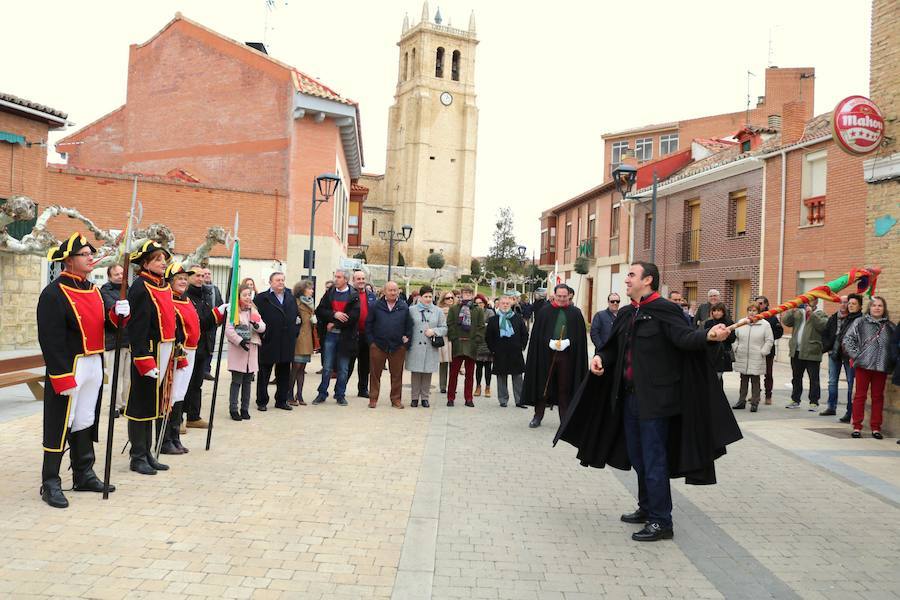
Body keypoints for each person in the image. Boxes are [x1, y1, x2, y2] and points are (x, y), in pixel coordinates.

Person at [556, 261, 740, 542]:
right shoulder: (629, 312)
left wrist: (710, 336)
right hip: (628, 398)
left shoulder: (665, 310)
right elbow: (615, 349)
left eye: (631, 275)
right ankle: (646, 507)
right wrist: (600, 358)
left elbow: (685, 338)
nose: (626, 280)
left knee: (654, 459)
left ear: (648, 280)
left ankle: (661, 521)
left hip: (656, 401)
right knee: (639, 457)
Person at [37, 232, 129, 508]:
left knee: (85, 419)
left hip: (93, 363)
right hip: (70, 366)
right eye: (84, 254)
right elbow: (50, 339)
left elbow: (105, 327)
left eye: (91, 253)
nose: (91, 257)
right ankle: (50, 481)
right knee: (59, 423)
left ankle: (83, 472)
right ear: (68, 261)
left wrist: (117, 315)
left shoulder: (95, 291)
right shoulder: (53, 293)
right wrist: (60, 375)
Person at [124, 241, 177, 476]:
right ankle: (137, 456)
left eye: (164, 258)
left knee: (154, 404)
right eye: (157, 259)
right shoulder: (140, 287)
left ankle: (147, 453)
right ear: (145, 263)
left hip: (164, 349)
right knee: (141, 404)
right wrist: (143, 357)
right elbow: (137, 327)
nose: (162, 262)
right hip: (148, 352)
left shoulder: (162, 285)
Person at [166, 263, 224, 453]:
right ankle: (167, 437)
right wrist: (178, 351)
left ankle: (175, 437)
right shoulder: (170, 300)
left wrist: (219, 312)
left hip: (193, 350)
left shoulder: (187, 300)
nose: (183, 282)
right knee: (173, 395)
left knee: (181, 393)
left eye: (184, 278)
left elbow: (199, 323)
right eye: (180, 279)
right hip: (178, 353)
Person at [521, 283, 588, 428]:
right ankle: (538, 416)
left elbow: (580, 337)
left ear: (569, 295)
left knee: (565, 387)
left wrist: (569, 341)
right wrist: (548, 342)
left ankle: (564, 418)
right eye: (559, 296)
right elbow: (537, 336)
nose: (562, 299)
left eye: (565, 296)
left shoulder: (575, 313)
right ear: (554, 295)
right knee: (543, 385)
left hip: (567, 356)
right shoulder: (545, 312)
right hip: (546, 355)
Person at [843, 296, 894, 439]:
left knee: (878, 397)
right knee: (860, 396)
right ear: (869, 308)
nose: (877, 308)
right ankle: (857, 426)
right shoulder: (860, 322)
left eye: (880, 305)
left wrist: (891, 360)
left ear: (884, 309)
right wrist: (856, 355)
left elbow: (894, 345)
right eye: (874, 305)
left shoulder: (890, 326)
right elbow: (848, 339)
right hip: (863, 365)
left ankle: (876, 427)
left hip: (881, 367)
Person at [182, 265, 223, 429]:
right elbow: (197, 321)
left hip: (203, 345)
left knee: (197, 383)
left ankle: (194, 416)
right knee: (185, 383)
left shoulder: (205, 295)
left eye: (201, 275)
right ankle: (180, 419)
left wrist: (217, 315)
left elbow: (206, 322)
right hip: (189, 346)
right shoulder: (185, 296)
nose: (200, 278)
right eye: (196, 276)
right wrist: (215, 315)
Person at [313, 269, 361, 405]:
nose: (336, 279)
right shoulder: (330, 293)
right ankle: (322, 393)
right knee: (327, 367)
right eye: (335, 276)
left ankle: (340, 394)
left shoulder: (353, 295)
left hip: (346, 337)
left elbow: (353, 317)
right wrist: (334, 314)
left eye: (339, 277)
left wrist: (335, 324)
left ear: (346, 280)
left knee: (343, 368)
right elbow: (320, 310)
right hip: (330, 337)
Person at [254, 272, 300, 411]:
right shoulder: (262, 298)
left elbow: (296, 316)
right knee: (264, 372)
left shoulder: (290, 297)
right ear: (270, 282)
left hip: (286, 341)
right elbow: (255, 317)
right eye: (277, 280)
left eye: (282, 280)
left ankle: (281, 400)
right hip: (269, 339)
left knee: (284, 372)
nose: (281, 282)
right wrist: (263, 334)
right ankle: (262, 401)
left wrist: (294, 333)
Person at [364, 281, 412, 408]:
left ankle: (396, 399)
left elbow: (409, 326)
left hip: (397, 346)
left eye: (395, 290)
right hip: (378, 345)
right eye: (390, 290)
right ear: (384, 291)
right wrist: (371, 343)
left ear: (398, 291)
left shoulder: (404, 306)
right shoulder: (375, 305)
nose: (393, 293)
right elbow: (368, 324)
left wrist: (405, 344)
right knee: (375, 374)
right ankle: (373, 399)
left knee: (397, 375)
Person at [225, 283, 266, 420]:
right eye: (245, 295)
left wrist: (257, 325)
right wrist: (239, 340)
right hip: (239, 349)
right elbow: (229, 330)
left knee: (248, 381)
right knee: (237, 381)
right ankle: (233, 409)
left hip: (251, 348)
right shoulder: (233, 311)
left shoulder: (253, 310)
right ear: (239, 296)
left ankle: (245, 408)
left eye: (249, 294)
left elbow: (263, 326)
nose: (248, 297)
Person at [782, 297, 827, 410]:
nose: (810, 302)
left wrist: (811, 314)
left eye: (813, 300)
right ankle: (795, 399)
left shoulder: (820, 313)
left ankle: (814, 402)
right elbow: (786, 322)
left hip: (812, 351)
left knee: (813, 378)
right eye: (808, 300)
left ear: (817, 301)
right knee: (796, 377)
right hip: (797, 350)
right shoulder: (798, 312)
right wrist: (791, 310)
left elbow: (823, 326)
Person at [822, 294, 863, 419]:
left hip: (849, 356)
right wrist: (828, 348)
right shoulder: (836, 317)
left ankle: (849, 412)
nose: (847, 305)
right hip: (835, 353)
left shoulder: (859, 319)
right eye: (846, 303)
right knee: (832, 381)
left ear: (860, 306)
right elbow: (828, 333)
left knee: (851, 383)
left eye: (851, 303)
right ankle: (831, 406)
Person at [406, 286, 448, 408]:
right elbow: (407, 326)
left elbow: (444, 328)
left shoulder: (438, 311)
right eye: (426, 296)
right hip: (416, 345)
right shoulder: (411, 310)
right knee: (416, 372)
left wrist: (434, 331)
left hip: (430, 346)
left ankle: (425, 397)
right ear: (420, 297)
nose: (428, 299)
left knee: (427, 372)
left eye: (430, 296)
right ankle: (414, 398)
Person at [486, 292, 529, 407]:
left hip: (515, 352)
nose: (505, 305)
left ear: (511, 305)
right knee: (501, 376)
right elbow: (488, 337)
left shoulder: (517, 318)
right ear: (498, 304)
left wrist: (522, 346)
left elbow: (525, 334)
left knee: (518, 377)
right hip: (500, 352)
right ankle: (503, 400)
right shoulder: (493, 320)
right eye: (503, 303)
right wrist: (493, 349)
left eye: (507, 303)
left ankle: (520, 400)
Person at [446, 286, 486, 407]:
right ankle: (450, 398)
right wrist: (453, 337)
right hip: (458, 343)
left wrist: (477, 339)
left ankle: (468, 398)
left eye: (469, 293)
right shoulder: (454, 309)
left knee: (470, 374)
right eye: (465, 293)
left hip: (471, 344)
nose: (467, 295)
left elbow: (481, 326)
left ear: (472, 295)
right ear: (461, 295)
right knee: (453, 373)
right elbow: (450, 324)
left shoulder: (478, 310)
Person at [731, 304, 774, 412]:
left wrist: (763, 352)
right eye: (749, 310)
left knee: (755, 380)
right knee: (743, 380)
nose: (751, 312)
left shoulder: (765, 324)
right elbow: (735, 337)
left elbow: (769, 340)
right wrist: (736, 347)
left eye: (754, 310)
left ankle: (755, 402)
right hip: (743, 355)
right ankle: (741, 401)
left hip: (757, 356)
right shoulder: (741, 322)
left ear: (758, 312)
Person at [100, 263, 130, 414]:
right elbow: (113, 309)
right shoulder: (105, 291)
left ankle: (125, 403)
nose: (120, 276)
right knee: (115, 375)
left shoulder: (129, 290)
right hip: (114, 339)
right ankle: (115, 405)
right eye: (116, 274)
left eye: (121, 274)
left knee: (127, 376)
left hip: (129, 340)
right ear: (110, 276)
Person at [347, 270, 376, 398]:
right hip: (352, 335)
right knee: (348, 364)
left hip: (367, 335)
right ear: (353, 280)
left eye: (363, 278)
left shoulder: (371, 296)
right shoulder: (349, 294)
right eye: (358, 279)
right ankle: (341, 389)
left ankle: (363, 389)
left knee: (365, 365)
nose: (361, 281)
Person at [289, 280, 316, 406]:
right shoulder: (296, 302)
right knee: (296, 367)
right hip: (299, 337)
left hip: (307, 337)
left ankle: (299, 394)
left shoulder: (311, 303)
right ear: (302, 290)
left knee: (302, 368)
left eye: (312, 289)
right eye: (309, 288)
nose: (312, 291)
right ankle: (290, 394)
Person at [754, 296, 784, 405]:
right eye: (757, 303)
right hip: (755, 350)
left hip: (768, 351)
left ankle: (768, 396)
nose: (759, 305)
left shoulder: (772, 317)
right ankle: (755, 394)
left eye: (761, 303)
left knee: (768, 374)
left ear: (766, 304)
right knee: (754, 374)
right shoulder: (753, 316)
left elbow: (779, 332)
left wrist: (768, 338)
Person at [703, 303, 736, 389]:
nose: (717, 313)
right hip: (710, 353)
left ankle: (717, 396)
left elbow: (732, 338)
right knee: (711, 377)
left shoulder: (729, 323)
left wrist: (723, 335)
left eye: (719, 311)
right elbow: (705, 337)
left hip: (723, 353)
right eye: (714, 311)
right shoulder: (708, 323)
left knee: (718, 376)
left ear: (723, 312)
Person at [201, 268, 223, 380]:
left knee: (211, 347)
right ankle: (202, 370)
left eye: (209, 273)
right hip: (203, 322)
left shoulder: (215, 289)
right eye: (204, 274)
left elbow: (220, 303)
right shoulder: (199, 289)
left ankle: (207, 369)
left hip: (213, 324)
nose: (207, 275)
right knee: (203, 346)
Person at [473, 294, 495, 397]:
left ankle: (488, 387)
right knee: (478, 367)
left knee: (488, 367)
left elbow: (493, 326)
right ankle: (478, 386)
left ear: (484, 303)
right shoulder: (473, 312)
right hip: (477, 342)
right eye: (476, 303)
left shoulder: (489, 312)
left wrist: (483, 326)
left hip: (488, 342)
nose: (478, 305)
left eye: (480, 303)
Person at [437, 291, 456, 393]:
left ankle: (452, 386)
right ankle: (443, 386)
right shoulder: (439, 311)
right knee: (443, 364)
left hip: (454, 339)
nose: (450, 300)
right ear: (443, 299)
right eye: (447, 298)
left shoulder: (457, 310)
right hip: (444, 338)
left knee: (454, 364)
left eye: (451, 298)